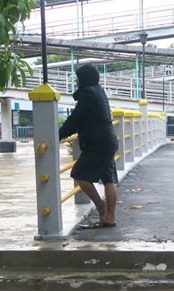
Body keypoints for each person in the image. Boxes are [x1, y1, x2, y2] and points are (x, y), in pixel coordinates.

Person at [59, 64, 119, 228]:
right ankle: (109, 218)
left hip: (97, 143)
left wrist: (58, 135)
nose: (76, 82)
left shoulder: (88, 93)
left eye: (77, 78)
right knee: (108, 180)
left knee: (78, 173)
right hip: (108, 141)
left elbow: (75, 119)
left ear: (83, 79)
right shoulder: (98, 90)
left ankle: (101, 207)